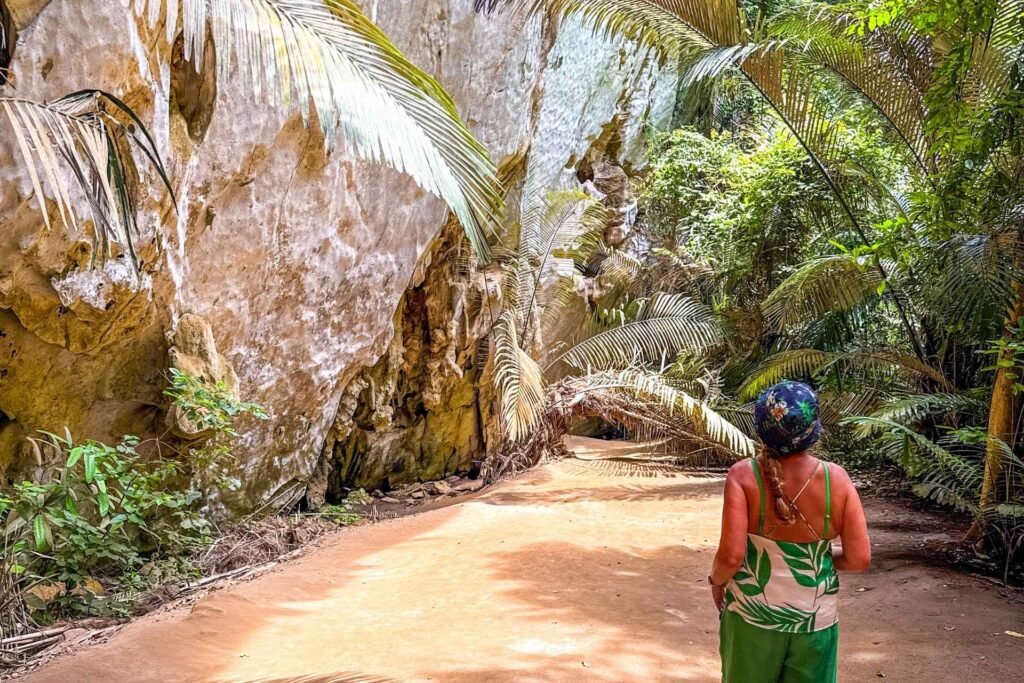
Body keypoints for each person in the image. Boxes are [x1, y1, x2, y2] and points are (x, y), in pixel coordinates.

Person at [709, 380, 871, 683]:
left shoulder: (744, 476)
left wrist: (716, 582)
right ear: (813, 429)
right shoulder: (836, 480)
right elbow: (859, 558)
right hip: (815, 622)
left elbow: (732, 557)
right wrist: (813, 557)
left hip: (751, 617)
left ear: (762, 426)